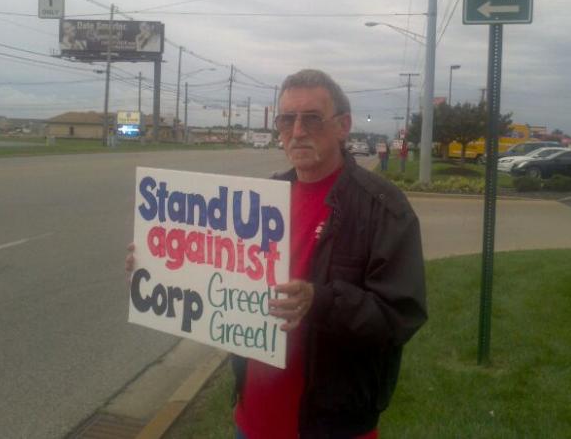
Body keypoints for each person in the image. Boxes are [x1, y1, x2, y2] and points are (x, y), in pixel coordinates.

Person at [126, 69, 427, 438]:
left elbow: (401, 315)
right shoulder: (260, 201)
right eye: (286, 119)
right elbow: (215, 268)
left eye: (312, 118)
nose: (297, 131)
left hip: (332, 427)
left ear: (343, 126)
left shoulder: (382, 207)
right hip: (252, 419)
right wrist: (156, 265)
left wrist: (320, 301)